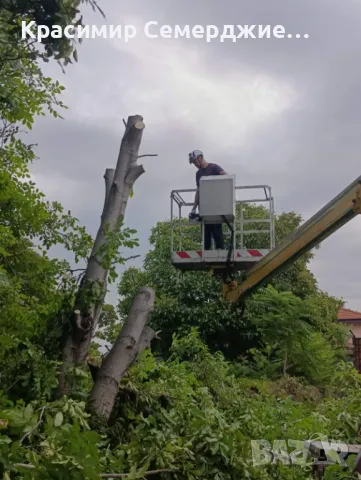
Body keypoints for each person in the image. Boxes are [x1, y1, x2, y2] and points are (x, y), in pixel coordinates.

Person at [188, 150, 227, 250]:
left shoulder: (214, 167)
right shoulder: (198, 174)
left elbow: (226, 177)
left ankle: (220, 250)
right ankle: (207, 252)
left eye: (195, 162)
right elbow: (198, 191)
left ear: (200, 158)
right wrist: (194, 208)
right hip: (204, 209)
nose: (195, 164)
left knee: (217, 233)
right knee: (206, 235)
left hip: (216, 208)